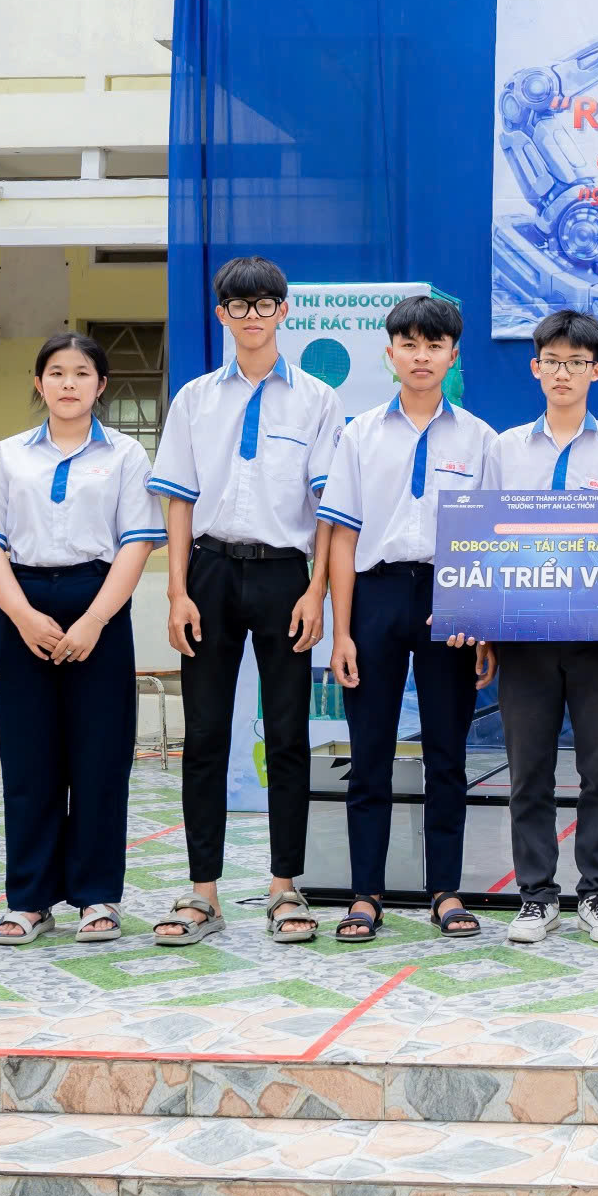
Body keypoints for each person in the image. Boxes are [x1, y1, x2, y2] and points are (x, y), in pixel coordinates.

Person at [149, 258, 342, 947]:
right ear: (221, 314)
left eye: (265, 303)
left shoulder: (317, 399)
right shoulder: (195, 398)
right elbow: (178, 500)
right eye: (239, 304)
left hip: (286, 575)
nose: (252, 315)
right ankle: (202, 892)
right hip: (208, 572)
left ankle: (285, 887)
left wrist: (316, 588)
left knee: (288, 735)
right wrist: (177, 589)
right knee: (204, 735)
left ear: (284, 311)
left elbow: (328, 507)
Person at [0, 333, 166, 946]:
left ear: (101, 385)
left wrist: (95, 620)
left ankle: (98, 897)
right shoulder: (8, 455)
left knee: (100, 762)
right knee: (29, 763)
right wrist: (22, 615)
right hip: (22, 604)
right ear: (38, 382)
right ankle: (29, 900)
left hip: (99, 603)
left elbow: (136, 544)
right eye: (55, 372)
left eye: (81, 372)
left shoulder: (126, 455)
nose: (68, 383)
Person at [471, 310, 598, 947]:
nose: (563, 373)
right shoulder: (504, 449)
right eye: (552, 361)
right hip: (523, 638)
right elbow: (484, 538)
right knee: (528, 772)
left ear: (596, 371)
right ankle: (536, 895)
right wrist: (482, 624)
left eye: (577, 362)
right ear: (535, 368)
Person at [320, 295, 497, 942]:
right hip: (375, 596)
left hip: (451, 600)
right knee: (369, 754)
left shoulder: (480, 438)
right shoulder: (359, 433)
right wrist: (342, 630)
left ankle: (445, 890)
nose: (422, 356)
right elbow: (342, 536)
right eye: (410, 344)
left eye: (435, 345)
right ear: (390, 352)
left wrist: (484, 624)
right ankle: (365, 894)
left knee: (447, 755)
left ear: (453, 355)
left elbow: (490, 537)